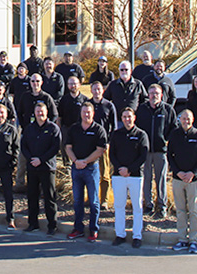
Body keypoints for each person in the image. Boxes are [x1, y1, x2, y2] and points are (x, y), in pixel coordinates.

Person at [64, 101, 108, 242]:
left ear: (93, 113)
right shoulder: (74, 129)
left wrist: (85, 161)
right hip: (76, 168)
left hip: (91, 169)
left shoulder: (98, 130)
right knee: (77, 201)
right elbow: (68, 147)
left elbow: (100, 150)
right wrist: (76, 161)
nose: (86, 115)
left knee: (94, 201)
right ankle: (78, 228)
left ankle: (93, 229)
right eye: (84, 112)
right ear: (81, 113)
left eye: (88, 112)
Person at [167, 110, 197, 254]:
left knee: (193, 211)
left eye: (188, 118)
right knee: (180, 211)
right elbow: (170, 155)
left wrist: (193, 173)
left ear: (193, 119)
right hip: (178, 179)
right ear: (180, 120)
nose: (186, 121)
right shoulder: (175, 135)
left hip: (193, 180)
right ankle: (182, 239)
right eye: (184, 118)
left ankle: (193, 240)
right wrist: (177, 172)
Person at [135, 83, 177, 219]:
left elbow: (174, 128)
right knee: (146, 178)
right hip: (145, 150)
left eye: (157, 93)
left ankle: (162, 205)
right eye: (152, 93)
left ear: (161, 95)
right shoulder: (142, 109)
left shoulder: (168, 110)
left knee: (161, 179)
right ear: (148, 95)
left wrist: (166, 140)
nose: (154, 96)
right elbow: (137, 128)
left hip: (161, 150)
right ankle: (148, 204)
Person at [109, 107, 149, 248]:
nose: (127, 119)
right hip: (119, 175)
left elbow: (143, 156)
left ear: (134, 118)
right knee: (119, 206)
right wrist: (120, 169)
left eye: (129, 117)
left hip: (135, 176)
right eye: (124, 117)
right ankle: (120, 234)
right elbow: (112, 154)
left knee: (137, 207)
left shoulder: (141, 134)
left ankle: (137, 236)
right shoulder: (116, 134)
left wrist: (130, 169)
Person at [22, 101, 62, 235]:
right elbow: (24, 146)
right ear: (34, 113)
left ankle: (52, 225)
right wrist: (31, 159)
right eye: (38, 112)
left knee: (49, 197)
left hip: (47, 168)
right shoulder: (29, 128)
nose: (40, 114)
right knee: (32, 196)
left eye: (42, 112)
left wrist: (41, 159)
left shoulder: (53, 128)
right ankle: (33, 224)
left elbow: (55, 147)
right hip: (32, 167)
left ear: (46, 113)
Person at [89, 81, 117, 210]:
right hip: (89, 145)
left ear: (103, 90)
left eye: (99, 89)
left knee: (104, 174)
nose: (97, 92)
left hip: (104, 145)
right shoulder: (87, 105)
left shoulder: (109, 105)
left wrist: (109, 142)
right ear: (91, 90)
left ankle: (104, 200)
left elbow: (114, 126)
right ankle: (92, 198)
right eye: (94, 89)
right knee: (89, 173)